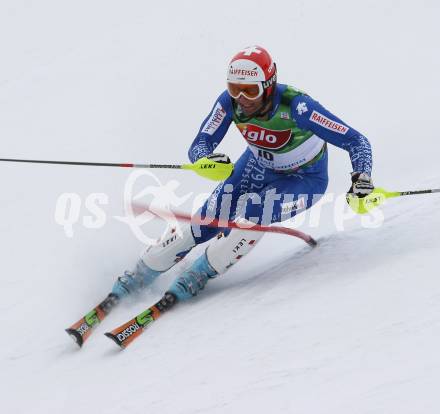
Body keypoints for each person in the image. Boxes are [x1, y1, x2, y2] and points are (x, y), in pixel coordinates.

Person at [108, 45, 374, 309]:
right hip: (255, 168)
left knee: (256, 211)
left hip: (304, 179)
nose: (242, 98)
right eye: (234, 88)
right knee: (206, 221)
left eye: (250, 90)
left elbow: (356, 141)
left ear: (268, 86)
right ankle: (139, 274)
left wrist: (362, 178)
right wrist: (205, 160)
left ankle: (199, 273)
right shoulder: (229, 103)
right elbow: (201, 142)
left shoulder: (298, 107)